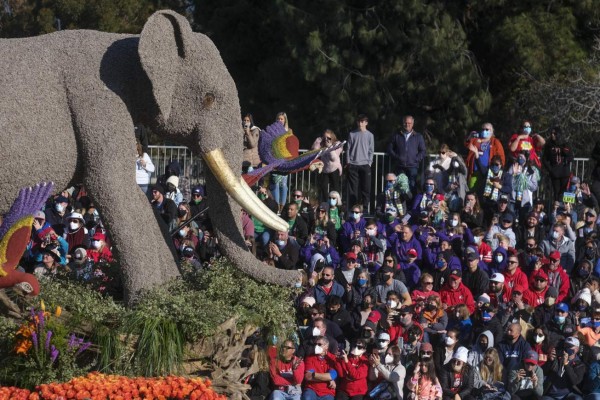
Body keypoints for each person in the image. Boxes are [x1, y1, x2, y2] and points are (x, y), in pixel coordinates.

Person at [387, 115, 427, 193]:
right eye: (405, 123)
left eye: (409, 123)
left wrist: (416, 159)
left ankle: (411, 205)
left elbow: (423, 151)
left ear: (412, 124)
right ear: (403, 123)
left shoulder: (418, 136)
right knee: (401, 186)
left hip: (413, 166)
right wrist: (396, 157)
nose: (407, 125)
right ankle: (402, 205)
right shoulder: (397, 135)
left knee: (412, 186)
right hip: (400, 166)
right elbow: (389, 148)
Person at [465, 122, 506, 195]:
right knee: (471, 193)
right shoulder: (475, 140)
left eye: (487, 129)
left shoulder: (495, 142)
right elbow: (466, 145)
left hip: (488, 173)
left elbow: (501, 158)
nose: (485, 131)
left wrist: (497, 171)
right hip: (475, 171)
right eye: (483, 129)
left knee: (485, 193)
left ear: (492, 131)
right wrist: (470, 137)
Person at [346, 114, 374, 212]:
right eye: (359, 121)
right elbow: (348, 149)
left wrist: (369, 163)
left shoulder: (370, 135)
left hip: (365, 165)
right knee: (353, 189)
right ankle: (353, 209)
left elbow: (371, 150)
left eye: (362, 121)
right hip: (353, 164)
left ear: (366, 123)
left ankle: (365, 210)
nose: (360, 123)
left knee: (366, 188)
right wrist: (348, 162)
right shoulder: (352, 134)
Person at [270, 112, 293, 215]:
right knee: (275, 183)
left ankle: (282, 207)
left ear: (285, 120)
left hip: (285, 161)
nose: (280, 121)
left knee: (283, 184)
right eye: (278, 119)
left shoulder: (289, 131)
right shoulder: (272, 131)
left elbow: (292, 145)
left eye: (282, 119)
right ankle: (276, 207)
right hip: (274, 160)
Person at [542, 127, 573, 202]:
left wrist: (564, 151)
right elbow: (544, 159)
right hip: (555, 173)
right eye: (552, 133)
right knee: (556, 193)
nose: (552, 135)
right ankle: (557, 210)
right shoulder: (548, 145)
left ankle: (566, 209)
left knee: (565, 192)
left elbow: (571, 156)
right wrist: (550, 170)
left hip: (564, 172)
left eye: (555, 133)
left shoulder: (565, 144)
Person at [302, 336, 338, 400]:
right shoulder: (310, 358)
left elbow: (332, 375)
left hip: (327, 391)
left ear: (326, 346)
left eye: (319, 344)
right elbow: (308, 377)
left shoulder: (332, 359)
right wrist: (328, 379)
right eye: (315, 344)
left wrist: (314, 375)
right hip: (312, 389)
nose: (316, 346)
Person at [312, 129, 343, 203]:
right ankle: (326, 203)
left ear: (332, 137)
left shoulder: (337, 144)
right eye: (325, 138)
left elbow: (333, 158)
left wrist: (330, 147)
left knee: (335, 188)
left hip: (334, 168)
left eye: (328, 138)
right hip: (325, 169)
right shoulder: (322, 144)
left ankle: (337, 205)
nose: (326, 140)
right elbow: (314, 151)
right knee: (323, 187)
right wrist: (318, 141)